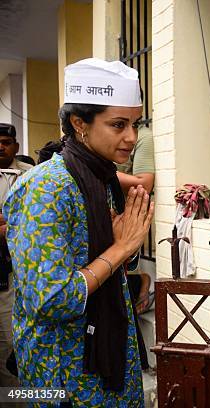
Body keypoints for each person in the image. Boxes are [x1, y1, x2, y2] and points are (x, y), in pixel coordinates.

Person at [4, 58, 154, 405]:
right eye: (118, 125)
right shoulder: (47, 189)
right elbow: (52, 299)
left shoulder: (99, 179)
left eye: (135, 124)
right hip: (64, 377)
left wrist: (122, 248)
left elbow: (99, 256)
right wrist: (119, 250)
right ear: (79, 123)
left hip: (106, 371)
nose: (131, 137)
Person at [0, 123, 32, 387]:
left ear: (16, 147)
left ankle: (15, 398)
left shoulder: (31, 176)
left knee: (11, 340)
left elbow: (35, 220)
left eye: (6, 141)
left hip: (17, 270)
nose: (1, 146)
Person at [116, 126, 155, 315]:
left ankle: (140, 282)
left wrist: (100, 171)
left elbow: (144, 183)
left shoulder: (142, 136)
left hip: (123, 217)